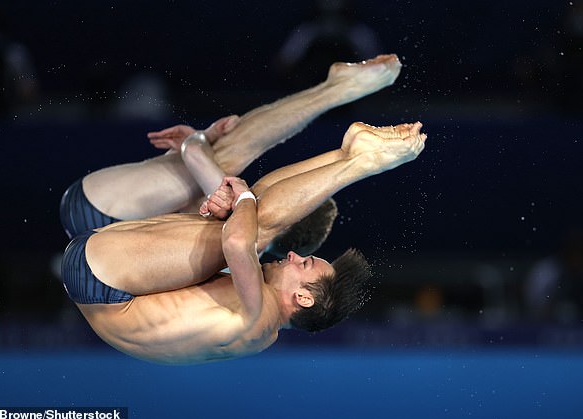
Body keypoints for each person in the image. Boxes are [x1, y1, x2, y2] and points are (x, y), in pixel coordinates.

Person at [60, 120, 427, 364]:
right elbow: (224, 203)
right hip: (100, 276)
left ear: (303, 298)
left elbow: (238, 242)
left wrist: (238, 194)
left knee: (254, 224)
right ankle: (346, 154)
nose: (296, 256)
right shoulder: (249, 308)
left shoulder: (260, 320)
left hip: (103, 280)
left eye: (305, 265)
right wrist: (198, 152)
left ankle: (361, 162)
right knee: (246, 214)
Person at [60, 54, 402, 256]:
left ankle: (334, 90)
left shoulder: (241, 219)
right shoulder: (241, 250)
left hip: (93, 212)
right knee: (215, 171)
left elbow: (193, 151)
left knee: (223, 161)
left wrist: (201, 137)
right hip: (101, 251)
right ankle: (333, 90)